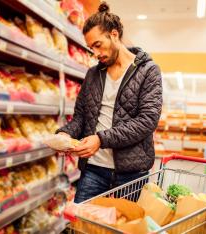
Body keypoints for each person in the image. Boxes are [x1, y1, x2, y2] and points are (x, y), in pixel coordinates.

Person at [56, 2, 162, 203]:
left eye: (98, 45)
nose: (95, 54)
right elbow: (81, 117)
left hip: (131, 172)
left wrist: (101, 139)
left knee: (124, 226)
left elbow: (147, 121)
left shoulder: (148, 71)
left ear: (114, 35)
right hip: (94, 169)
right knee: (83, 223)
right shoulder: (93, 74)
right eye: (91, 48)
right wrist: (65, 134)